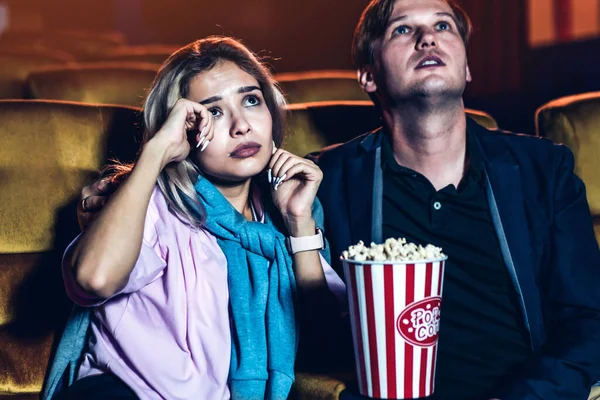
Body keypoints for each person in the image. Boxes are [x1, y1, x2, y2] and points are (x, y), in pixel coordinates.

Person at [313, 0, 600, 399]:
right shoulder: (328, 182)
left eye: (443, 26)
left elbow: (588, 318)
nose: (427, 37)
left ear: (466, 68)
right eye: (402, 29)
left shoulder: (544, 172)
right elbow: (305, 328)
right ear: (368, 75)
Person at [41, 36, 345, 400]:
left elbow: (326, 342)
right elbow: (93, 279)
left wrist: (299, 224)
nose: (241, 125)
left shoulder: (287, 209)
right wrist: (156, 152)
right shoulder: (151, 201)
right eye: (213, 111)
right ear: (183, 125)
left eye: (251, 100)